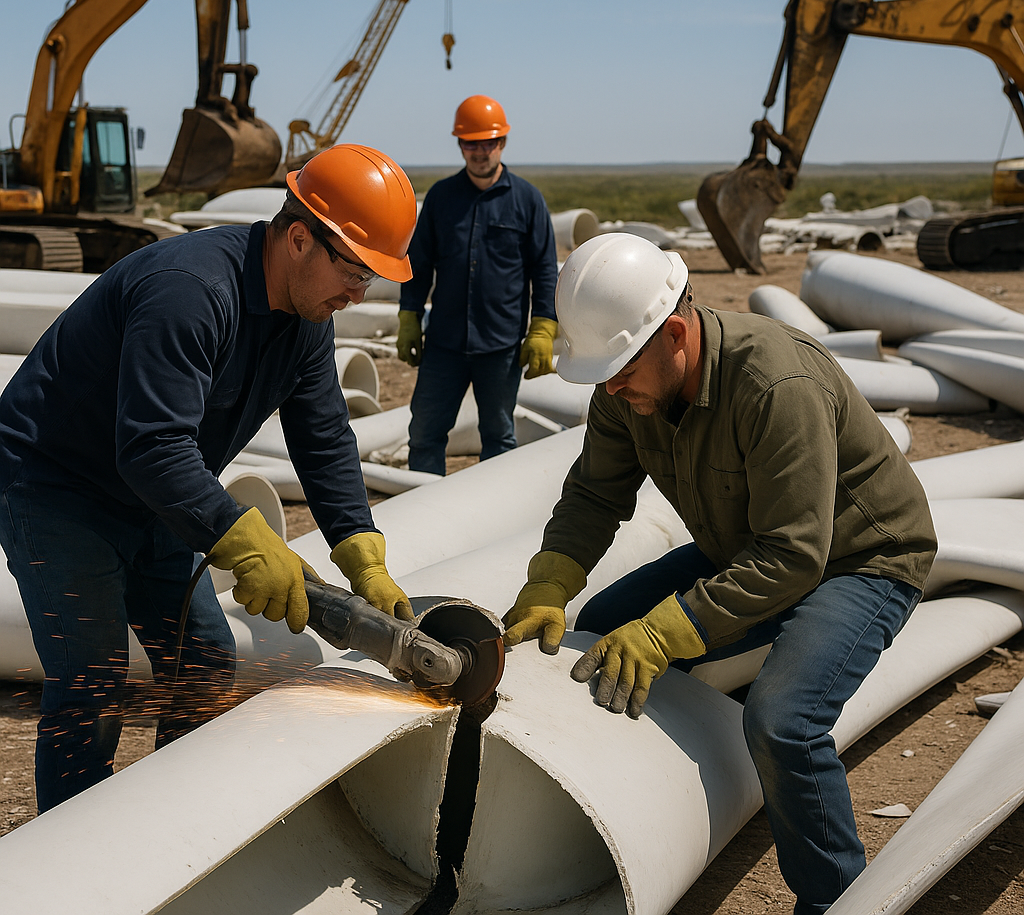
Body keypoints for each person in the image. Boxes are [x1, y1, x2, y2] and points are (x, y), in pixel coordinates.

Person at [502, 233, 937, 915]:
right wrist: (548, 583)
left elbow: (797, 555)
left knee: (782, 720)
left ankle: (836, 899)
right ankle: (663, 805)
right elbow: (595, 494)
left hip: (859, 559)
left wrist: (667, 633)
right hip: (746, 545)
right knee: (600, 633)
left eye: (620, 371)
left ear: (675, 333)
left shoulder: (774, 383)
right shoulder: (627, 381)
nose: (612, 390)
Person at [0, 143, 418, 813]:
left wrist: (361, 553)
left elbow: (323, 436)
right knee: (94, 681)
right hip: (55, 487)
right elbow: (152, 446)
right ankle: (71, 860)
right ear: (302, 239)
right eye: (355, 272)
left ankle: (170, 822)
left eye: (370, 279)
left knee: (204, 659)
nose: (357, 293)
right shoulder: (191, 291)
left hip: (150, 496)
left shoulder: (305, 316)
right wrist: (246, 543)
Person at [396, 95, 558, 475]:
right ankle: (423, 514)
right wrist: (408, 316)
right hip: (444, 345)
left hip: (500, 347)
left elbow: (545, 269)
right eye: (472, 143)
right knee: (424, 434)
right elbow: (418, 264)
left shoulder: (527, 201)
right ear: (460, 144)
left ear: (502, 143)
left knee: (499, 437)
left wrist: (543, 327)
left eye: (489, 143)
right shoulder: (441, 198)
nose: (480, 152)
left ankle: (490, 519)